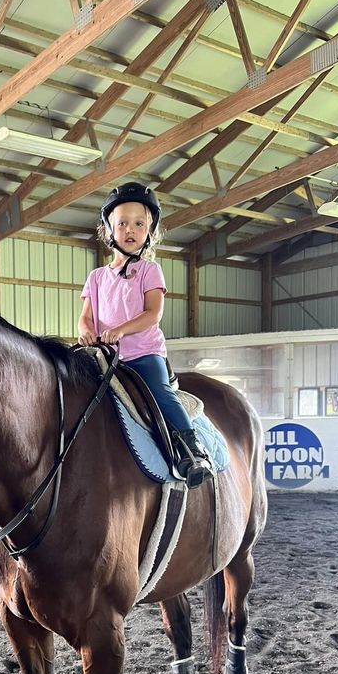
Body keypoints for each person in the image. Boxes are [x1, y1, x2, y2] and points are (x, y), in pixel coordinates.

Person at [78, 182, 212, 487]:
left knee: (160, 392)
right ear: (108, 230)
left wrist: (120, 330)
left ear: (149, 230)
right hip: (103, 355)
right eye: (122, 222)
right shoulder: (96, 277)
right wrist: (86, 333)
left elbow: (153, 313)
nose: (130, 229)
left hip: (142, 355)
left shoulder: (150, 271)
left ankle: (192, 451)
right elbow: (85, 318)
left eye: (139, 223)